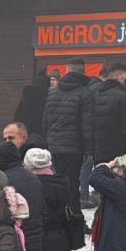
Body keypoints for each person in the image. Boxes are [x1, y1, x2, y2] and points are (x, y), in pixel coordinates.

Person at [43, 57, 94, 216]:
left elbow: (45, 121)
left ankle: (61, 216)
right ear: (82, 71)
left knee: (59, 183)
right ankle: (74, 219)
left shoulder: (52, 93)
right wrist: (89, 150)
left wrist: (49, 142)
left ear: (66, 70)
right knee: (72, 184)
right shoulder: (85, 93)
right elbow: (87, 125)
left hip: (54, 145)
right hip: (73, 147)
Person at [93, 62, 126, 164]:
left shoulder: (94, 96)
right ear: (117, 76)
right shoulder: (124, 97)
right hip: (119, 151)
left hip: (98, 150)